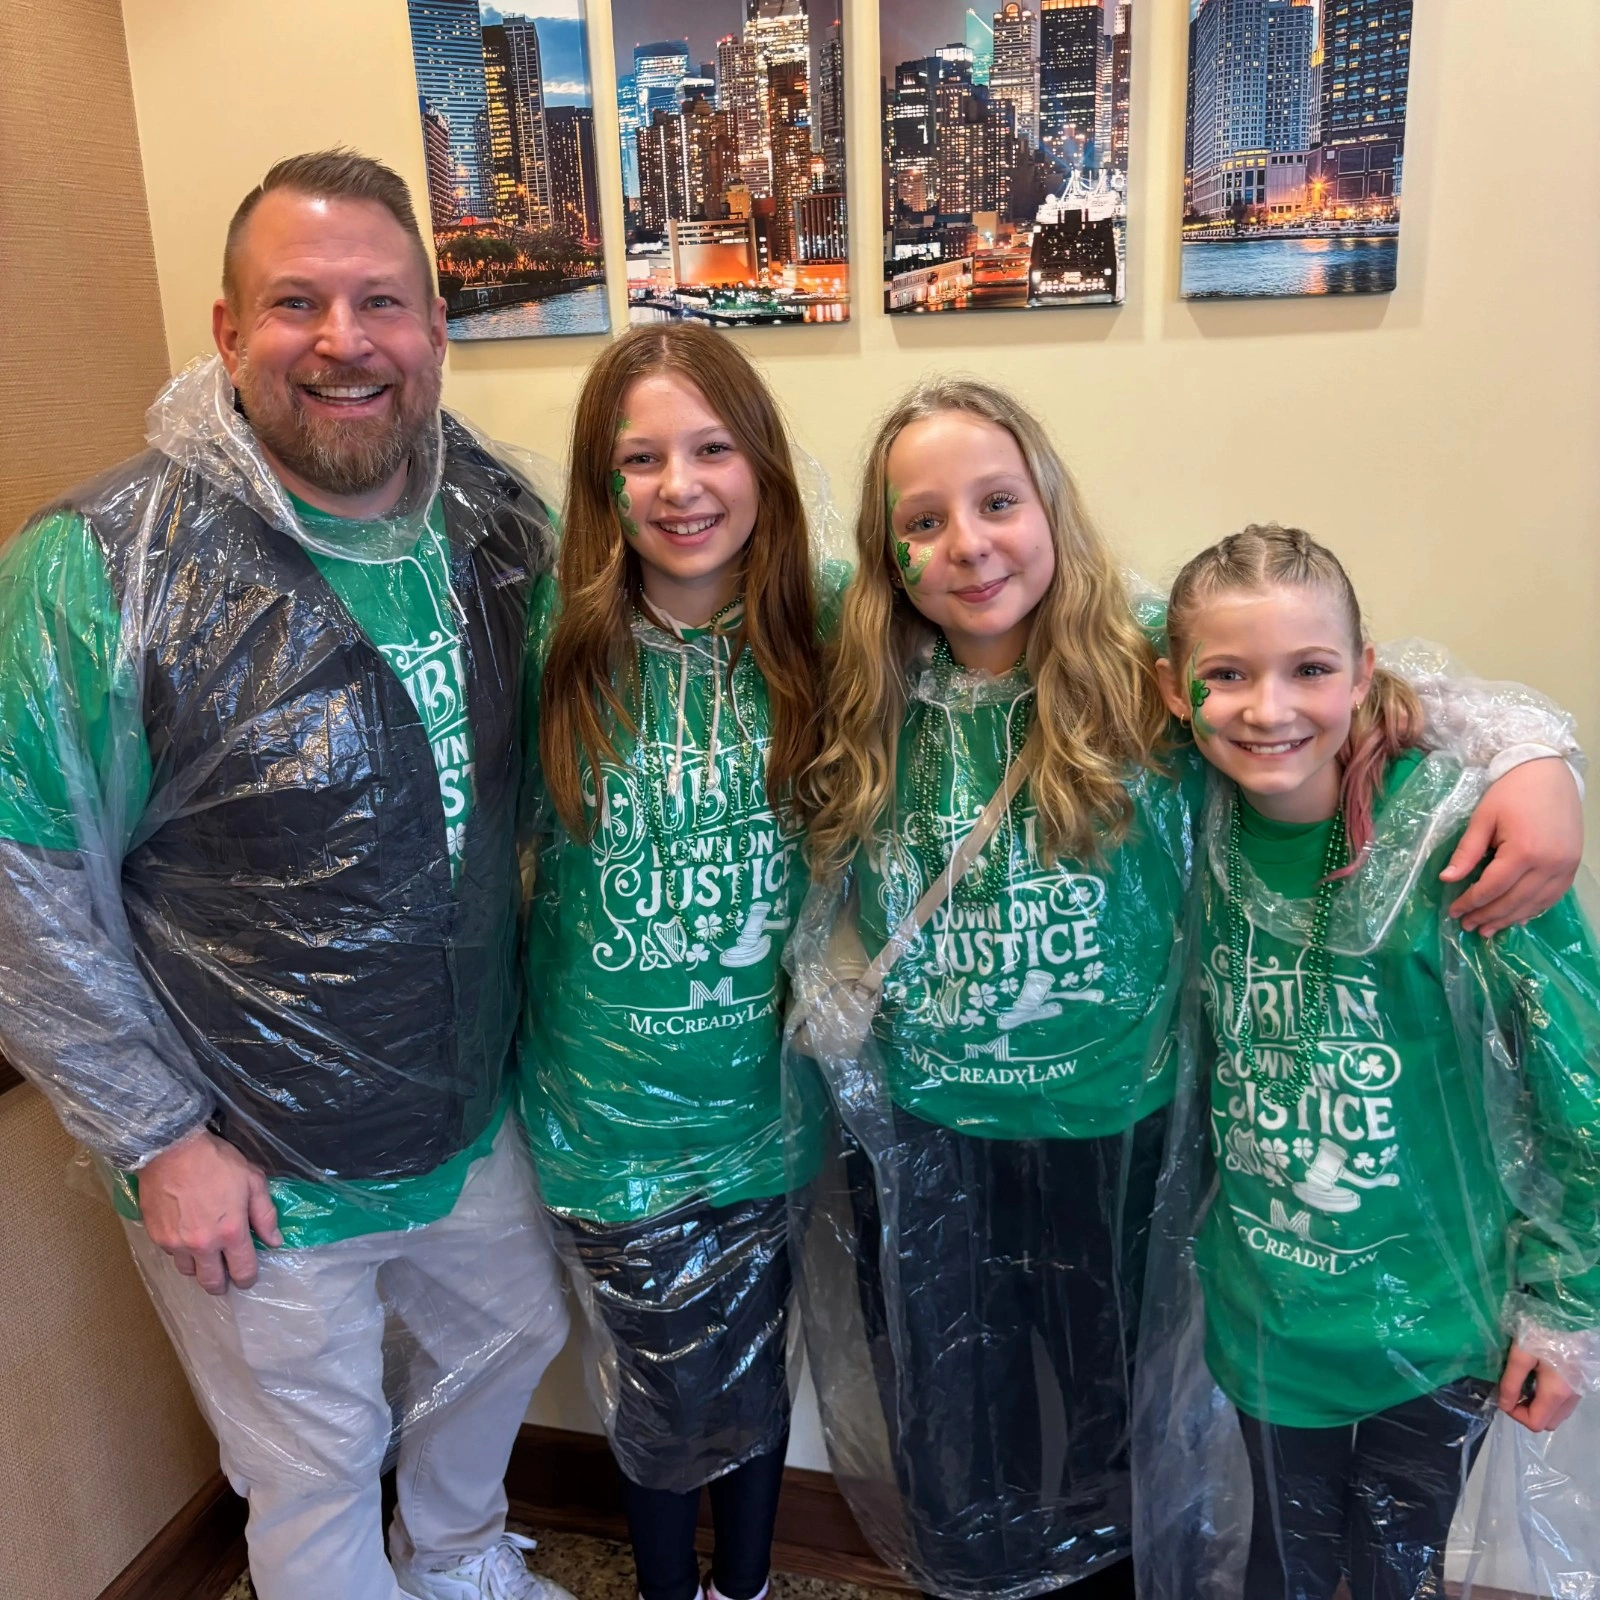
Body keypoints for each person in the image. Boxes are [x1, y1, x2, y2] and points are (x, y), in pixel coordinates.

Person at [787, 379, 1587, 1600]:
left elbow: (1332, 680)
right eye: (925, 520)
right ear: (887, 556)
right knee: (954, 1417)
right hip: (930, 1135)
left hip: (1114, 1137)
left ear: (1049, 506)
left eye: (998, 500)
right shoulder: (866, 663)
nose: (969, 543)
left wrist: (1538, 757)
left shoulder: (1143, 666)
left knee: (1119, 1425)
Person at [0, 151, 573, 1600]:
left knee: (511, 1338)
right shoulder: (104, 564)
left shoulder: (496, 526)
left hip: (462, 1106)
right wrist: (154, 1138)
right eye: (296, 303)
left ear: (436, 331)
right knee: (311, 1473)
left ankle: (456, 1564)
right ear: (225, 331)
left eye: (381, 301)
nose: (343, 341)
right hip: (241, 1156)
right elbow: (21, 868)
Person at [1135, 524, 1600, 1600]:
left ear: (1363, 674)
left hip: (1436, 1323)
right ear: (1175, 690)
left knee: (1396, 1568)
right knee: (1280, 1566)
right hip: (1268, 1313)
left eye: (1309, 668)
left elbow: (1577, 1090)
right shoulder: (1190, 817)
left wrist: (1564, 1312)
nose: (1269, 707)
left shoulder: (1467, 844)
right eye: (1226, 674)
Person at [518, 324, 827, 1600]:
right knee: (654, 1384)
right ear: (602, 486)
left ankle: (745, 1585)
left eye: (710, 448)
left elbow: (1053, 617)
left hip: (766, 1098)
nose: (679, 485)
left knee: (756, 1367)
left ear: (760, 461)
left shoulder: (830, 624)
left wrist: (1510, 742)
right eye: (638, 458)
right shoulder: (551, 645)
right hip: (606, 1112)